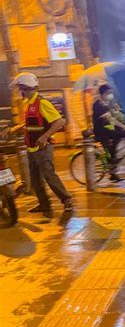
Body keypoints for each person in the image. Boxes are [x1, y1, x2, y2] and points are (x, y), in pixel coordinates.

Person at [1, 72, 73, 219]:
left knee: (49, 175)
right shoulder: (29, 104)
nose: (18, 91)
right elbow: (29, 124)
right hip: (31, 147)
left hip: (43, 148)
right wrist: (13, 129)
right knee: (35, 179)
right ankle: (44, 204)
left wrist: (45, 136)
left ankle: (67, 200)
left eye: (19, 88)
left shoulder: (42, 103)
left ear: (24, 87)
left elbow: (59, 122)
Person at [92, 84, 125, 182]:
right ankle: (112, 168)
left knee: (122, 135)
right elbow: (110, 118)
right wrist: (123, 126)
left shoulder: (107, 103)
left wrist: (124, 118)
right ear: (103, 94)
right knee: (111, 148)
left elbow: (116, 114)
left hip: (109, 129)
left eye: (111, 93)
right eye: (108, 93)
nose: (110, 95)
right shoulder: (98, 105)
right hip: (102, 132)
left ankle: (113, 163)